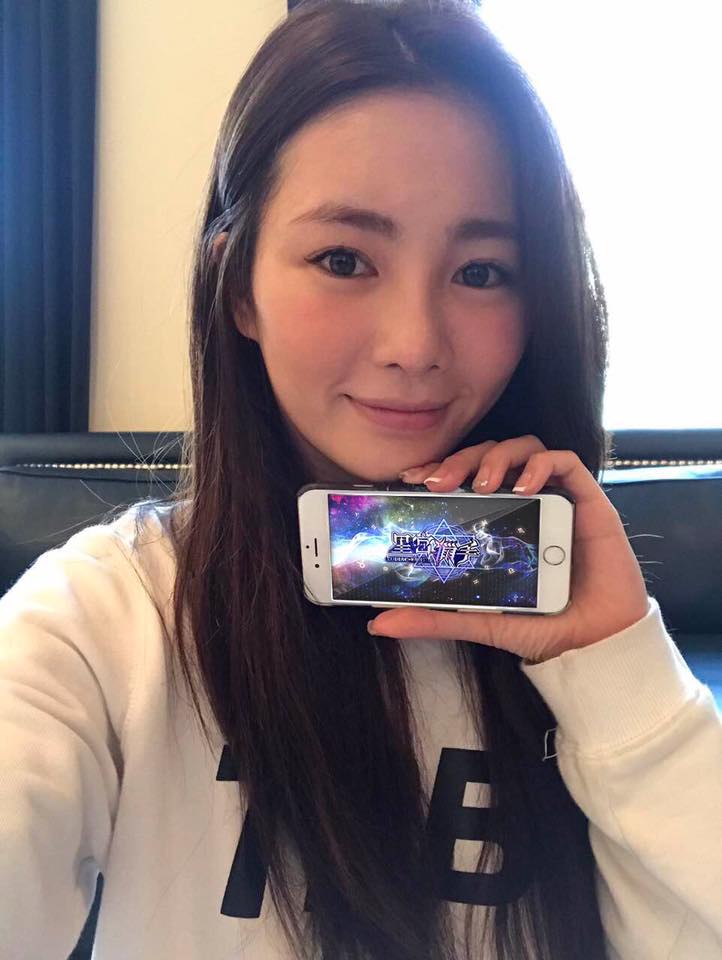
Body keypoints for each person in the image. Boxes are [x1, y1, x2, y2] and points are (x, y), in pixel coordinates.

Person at [1, 1, 720, 958]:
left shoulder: (577, 622)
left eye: (482, 271)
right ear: (238, 286)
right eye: (343, 259)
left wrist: (620, 676)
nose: (415, 345)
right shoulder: (110, 615)